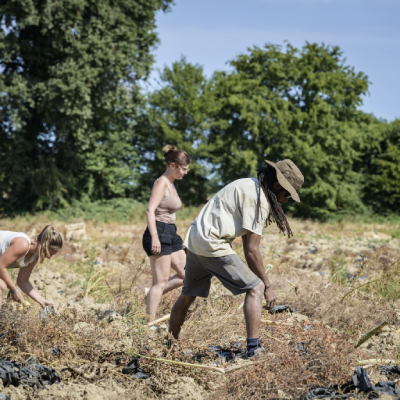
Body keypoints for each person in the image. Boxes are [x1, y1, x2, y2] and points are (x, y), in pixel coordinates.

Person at [168, 159, 304, 357]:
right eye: (287, 194)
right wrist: (268, 285)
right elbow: (251, 251)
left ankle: (170, 346)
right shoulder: (259, 200)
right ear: (276, 186)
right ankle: (254, 349)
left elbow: (248, 241)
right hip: (212, 243)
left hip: (195, 238)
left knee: (188, 294)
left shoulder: (249, 184)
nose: (286, 200)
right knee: (255, 287)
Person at [142, 145, 190, 323]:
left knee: (188, 275)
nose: (185, 172)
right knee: (160, 281)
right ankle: (149, 322)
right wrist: (154, 236)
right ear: (172, 165)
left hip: (171, 232)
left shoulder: (172, 184)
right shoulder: (161, 183)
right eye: (183, 169)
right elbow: (150, 210)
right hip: (159, 232)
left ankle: (151, 294)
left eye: (187, 169)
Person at [0, 225, 63, 308]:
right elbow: (1, 265)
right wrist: (13, 290)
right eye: (50, 253)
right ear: (45, 245)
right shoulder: (23, 244)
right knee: (1, 286)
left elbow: (23, 281)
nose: (49, 257)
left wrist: (41, 300)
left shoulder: (33, 257)